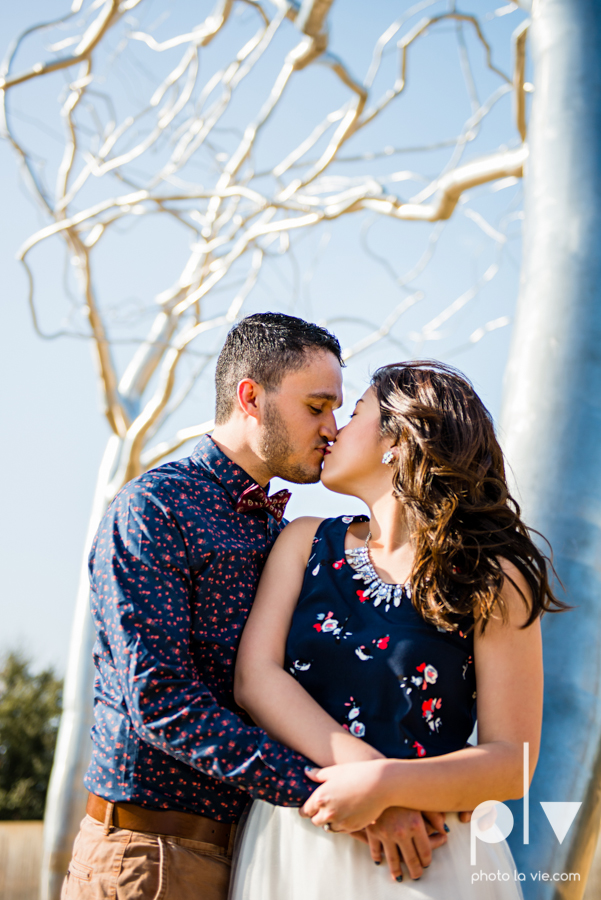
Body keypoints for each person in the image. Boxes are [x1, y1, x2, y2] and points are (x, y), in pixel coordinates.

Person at [61, 316, 448, 900]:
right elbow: (161, 703)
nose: (332, 428)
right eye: (317, 406)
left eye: (339, 409)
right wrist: (352, 794)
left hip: (261, 858)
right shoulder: (153, 509)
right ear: (251, 398)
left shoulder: (289, 538)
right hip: (151, 859)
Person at [231, 360, 566, 900]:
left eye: (355, 411)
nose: (333, 428)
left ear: (398, 438)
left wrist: (388, 787)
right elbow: (255, 677)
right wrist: (364, 775)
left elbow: (512, 763)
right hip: (304, 843)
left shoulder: (492, 576)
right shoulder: (303, 542)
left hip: (435, 857)